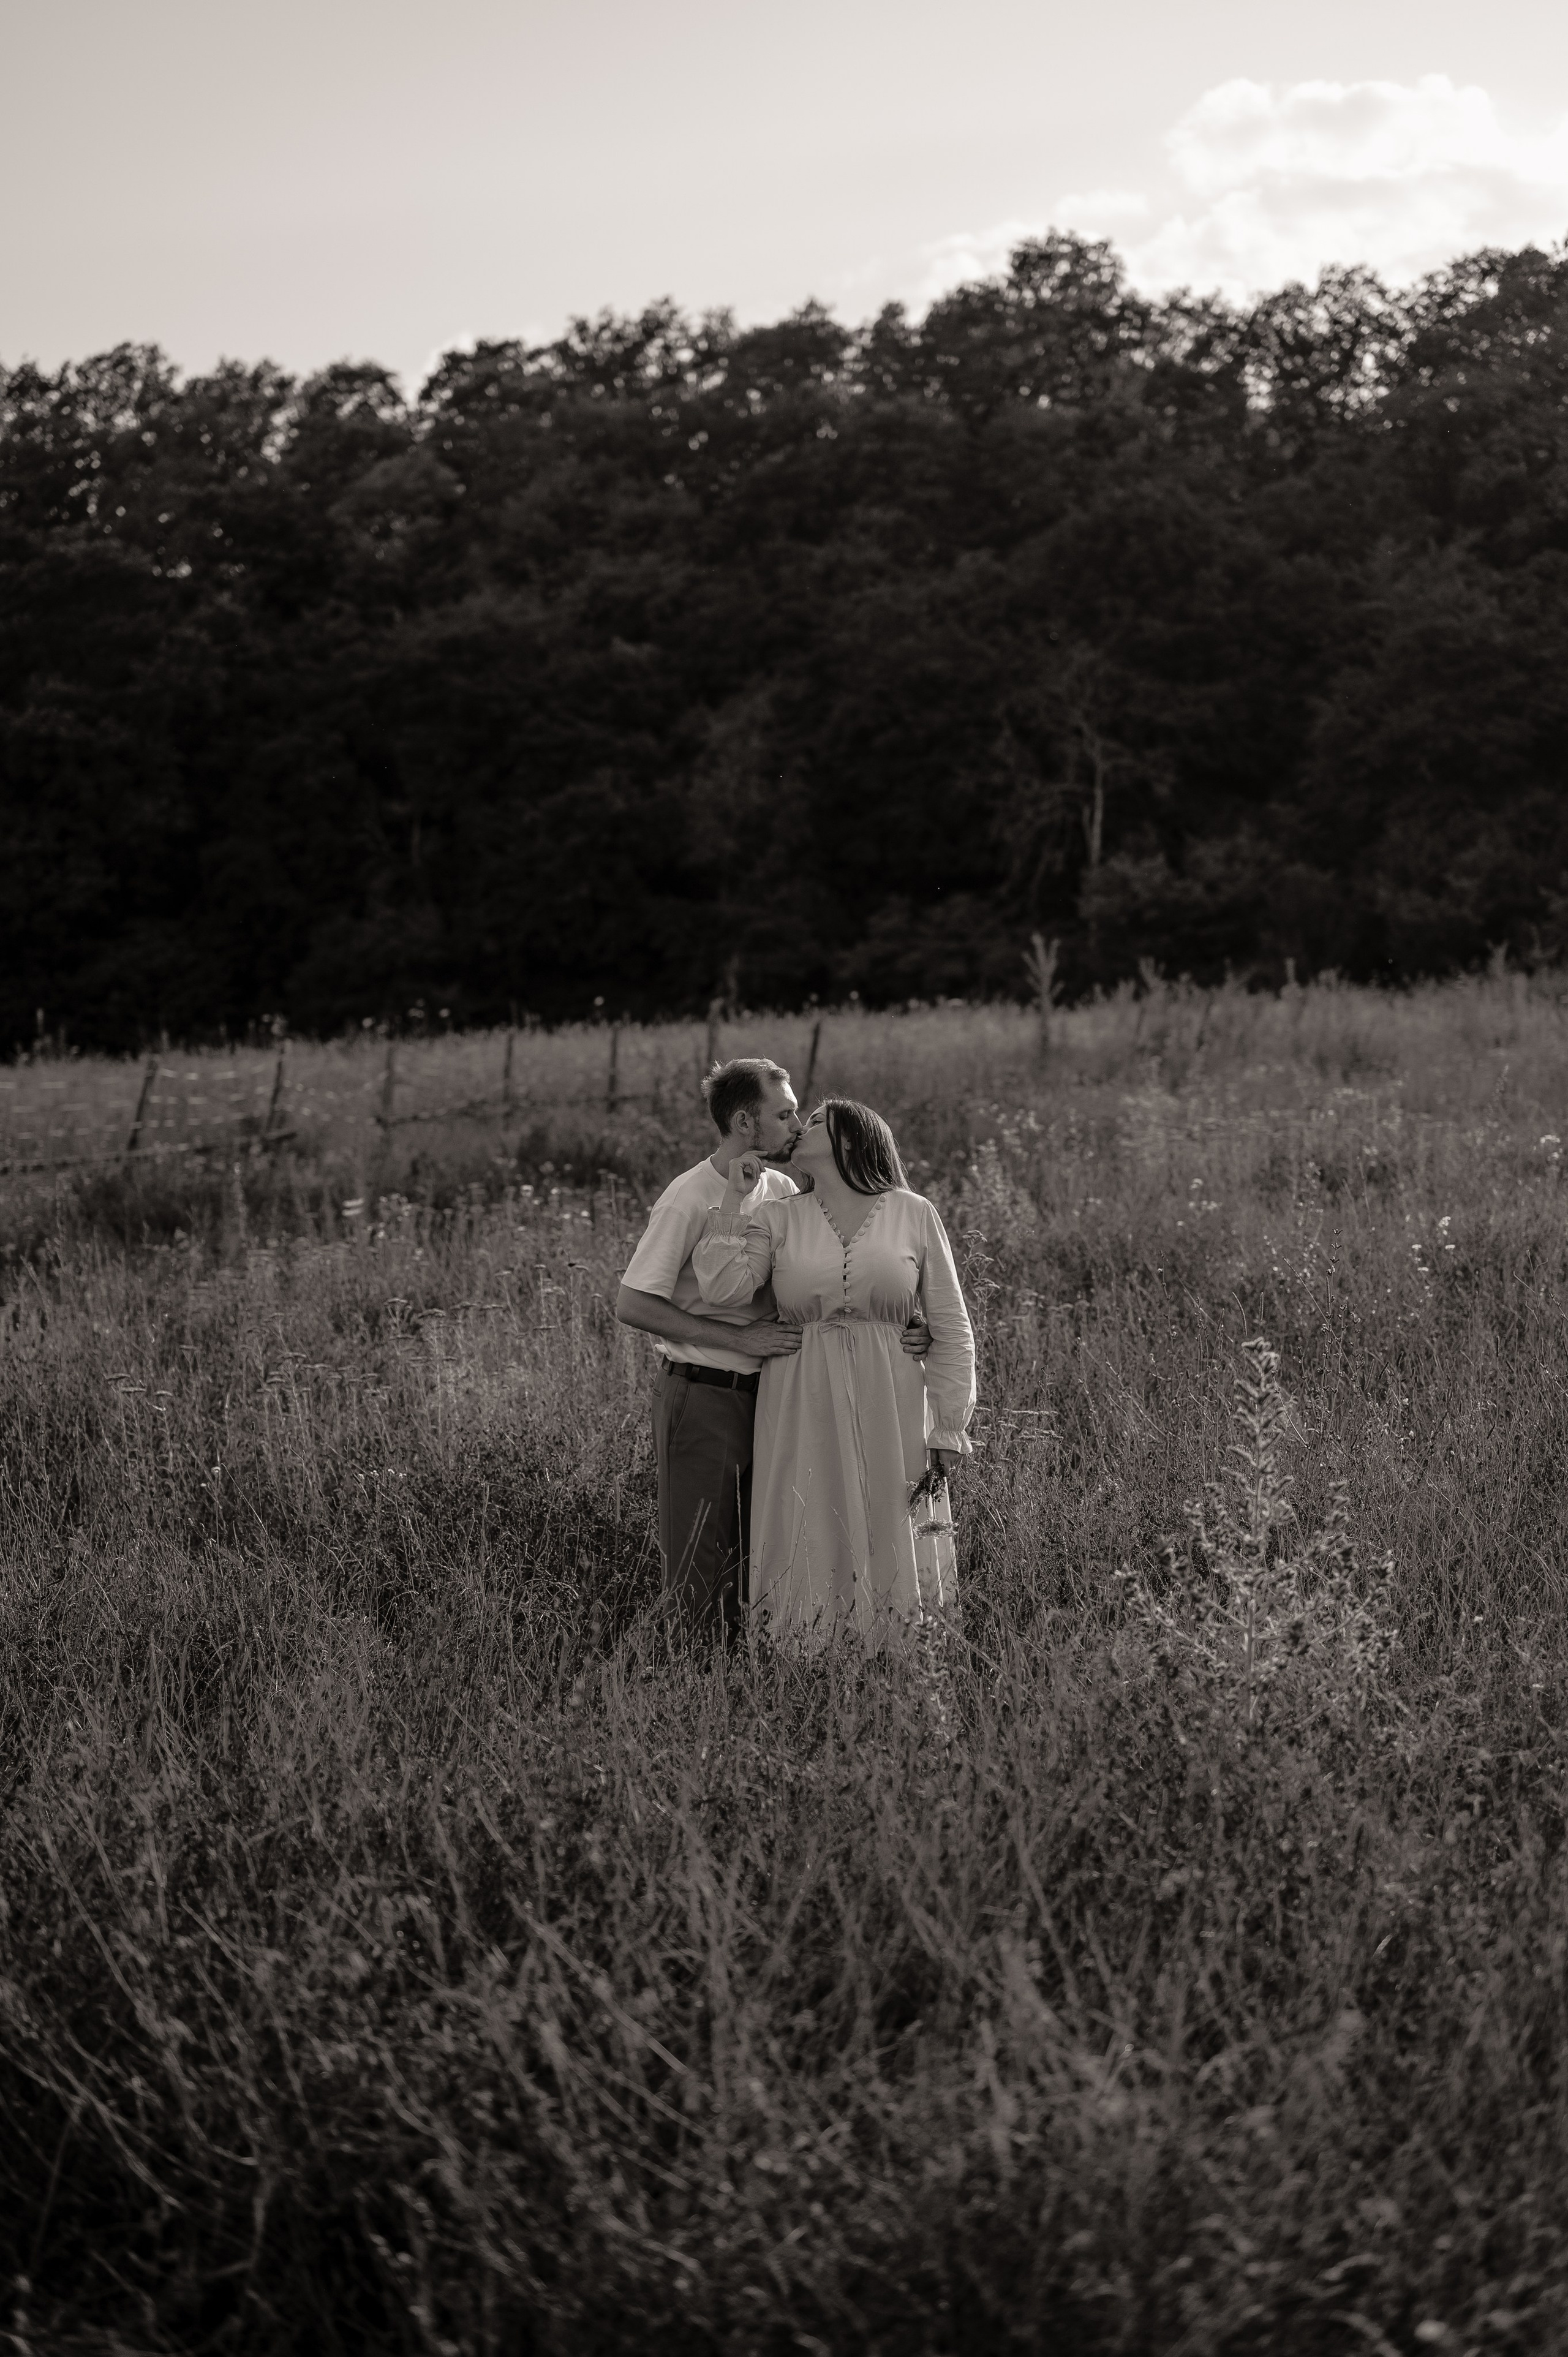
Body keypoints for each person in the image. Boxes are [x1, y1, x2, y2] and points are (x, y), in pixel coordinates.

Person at [616, 1059, 931, 1639]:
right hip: (704, 1394)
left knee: (767, 1549)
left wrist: (908, 1327)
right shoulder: (690, 1196)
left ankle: (768, 1674)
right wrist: (739, 1338)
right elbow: (632, 1304)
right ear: (744, 1121)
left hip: (777, 1399)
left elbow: (834, 1270)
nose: (796, 1124)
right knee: (699, 1562)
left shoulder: (783, 1189)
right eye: (784, 1114)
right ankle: (693, 1688)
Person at [692, 1095, 975, 1646]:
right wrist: (733, 1196)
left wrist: (949, 1426)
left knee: (890, 1514)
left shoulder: (913, 1211)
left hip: (892, 1393)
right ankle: (806, 1652)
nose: (800, 1128)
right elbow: (721, 1288)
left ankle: (900, 1649)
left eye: (816, 1121)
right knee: (808, 1515)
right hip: (801, 1393)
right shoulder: (776, 1216)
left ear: (851, 1139)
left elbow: (951, 1323)